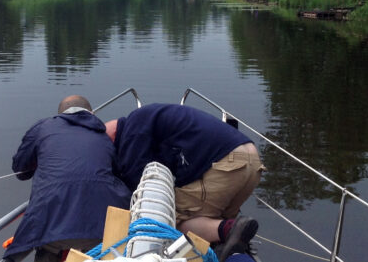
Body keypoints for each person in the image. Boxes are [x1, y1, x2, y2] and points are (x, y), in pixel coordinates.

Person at [104, 104, 264, 259]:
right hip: (251, 161)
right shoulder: (149, 119)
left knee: (173, 221)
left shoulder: (132, 129)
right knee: (214, 216)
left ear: (112, 136)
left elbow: (134, 177)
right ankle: (232, 240)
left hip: (227, 164)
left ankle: (230, 230)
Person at [3, 96, 131, 262]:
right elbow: (118, 172)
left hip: (49, 225)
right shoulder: (103, 136)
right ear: (91, 114)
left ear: (60, 114)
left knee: (47, 246)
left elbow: (20, 171)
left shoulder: (43, 127)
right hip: (102, 227)